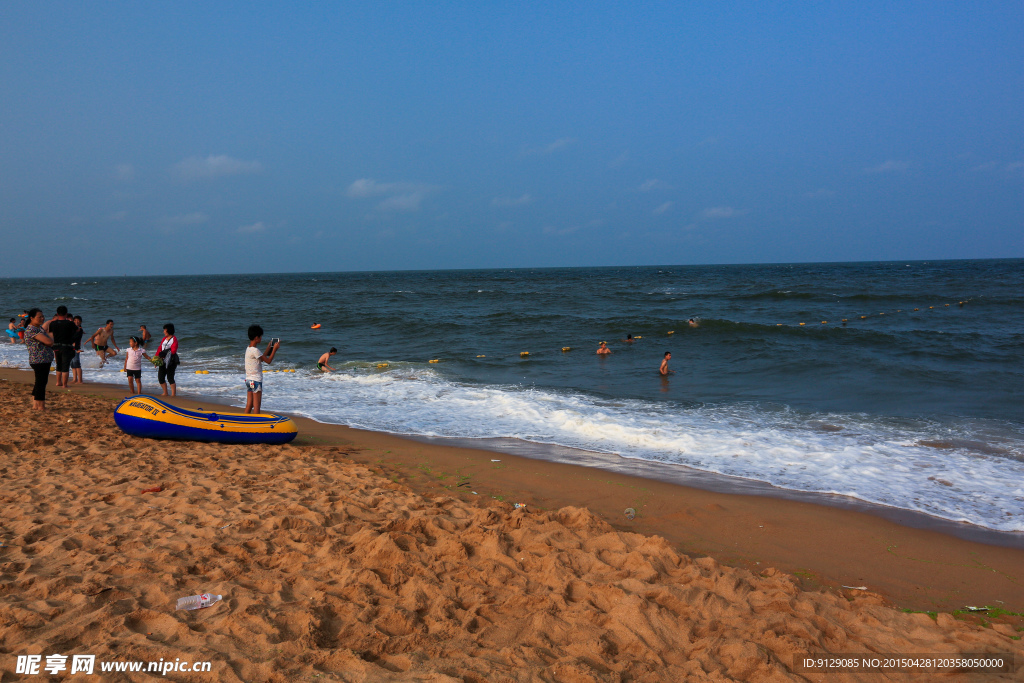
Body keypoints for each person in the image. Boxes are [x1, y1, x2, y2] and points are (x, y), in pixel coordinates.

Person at [23, 308, 54, 411]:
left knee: (39, 383)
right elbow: (49, 342)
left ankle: (35, 405)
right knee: (41, 383)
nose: (42, 318)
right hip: (39, 359)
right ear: (31, 318)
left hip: (42, 359)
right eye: (39, 317)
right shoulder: (32, 329)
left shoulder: (38, 328)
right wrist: (50, 339)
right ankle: (41, 406)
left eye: (42, 316)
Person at [244, 324, 279, 414]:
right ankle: (256, 423)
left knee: (250, 404)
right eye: (260, 337)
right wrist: (274, 349)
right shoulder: (255, 350)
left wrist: (269, 347)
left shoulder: (249, 349)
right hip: (256, 380)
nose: (261, 338)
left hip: (249, 380)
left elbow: (262, 358)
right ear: (256, 338)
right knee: (257, 405)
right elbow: (268, 361)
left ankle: (244, 420)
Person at [46, 305, 77, 389]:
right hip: (66, 346)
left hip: (56, 346)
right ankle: (64, 384)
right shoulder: (70, 323)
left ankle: (58, 382)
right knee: (65, 366)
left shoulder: (53, 323)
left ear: (57, 313)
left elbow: (50, 333)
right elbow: (76, 330)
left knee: (58, 364)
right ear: (66, 314)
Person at [155, 324, 179, 396]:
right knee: (161, 378)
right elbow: (160, 348)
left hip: (171, 360)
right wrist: (156, 359)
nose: (163, 332)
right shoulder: (164, 339)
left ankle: (173, 394)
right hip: (162, 360)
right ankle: (165, 392)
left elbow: (173, 350)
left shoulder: (174, 339)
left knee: (170, 377)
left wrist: (163, 354)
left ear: (168, 330)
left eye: (164, 330)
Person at [70, 315, 84, 384]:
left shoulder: (80, 329)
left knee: (77, 364)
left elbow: (75, 338)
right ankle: (74, 379)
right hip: (71, 347)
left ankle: (80, 380)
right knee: (72, 364)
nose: (76, 321)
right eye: (75, 320)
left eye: (78, 320)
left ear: (80, 322)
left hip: (76, 348)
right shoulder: (73, 329)